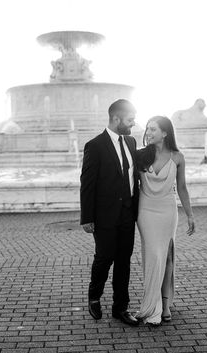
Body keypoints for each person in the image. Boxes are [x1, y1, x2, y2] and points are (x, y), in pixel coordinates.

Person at [80, 99, 139, 326]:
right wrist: (87, 217)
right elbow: (87, 183)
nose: (133, 123)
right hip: (104, 215)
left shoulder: (132, 142)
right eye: (130, 119)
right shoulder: (94, 145)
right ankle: (94, 297)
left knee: (124, 261)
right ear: (116, 118)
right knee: (104, 259)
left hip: (127, 215)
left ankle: (120, 308)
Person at [135, 116, 195, 325]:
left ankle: (166, 304)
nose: (148, 132)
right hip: (146, 212)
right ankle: (152, 307)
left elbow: (182, 187)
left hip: (168, 212)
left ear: (165, 133)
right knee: (153, 256)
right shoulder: (140, 155)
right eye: (148, 129)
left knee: (167, 256)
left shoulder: (178, 157)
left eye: (153, 129)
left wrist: (190, 214)